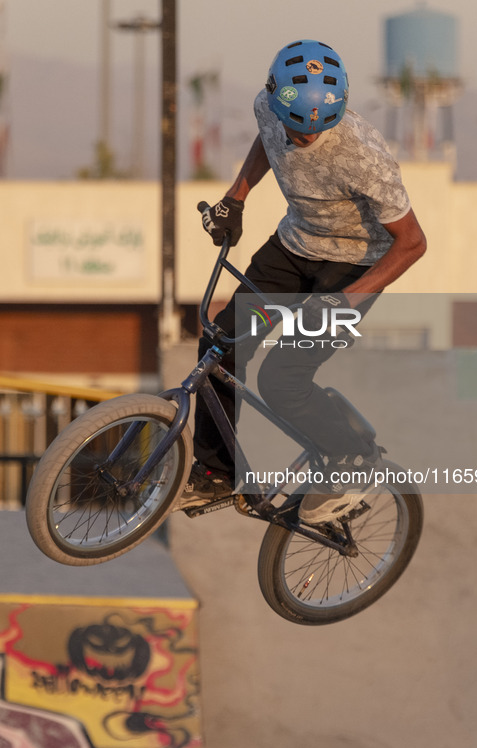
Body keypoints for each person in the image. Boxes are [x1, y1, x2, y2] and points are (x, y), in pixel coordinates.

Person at [177, 39, 426, 523]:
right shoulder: (268, 107)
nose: (305, 139)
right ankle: (216, 475)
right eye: (297, 128)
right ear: (276, 100)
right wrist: (237, 196)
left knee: (282, 379)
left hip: (353, 269)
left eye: (319, 131)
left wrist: (347, 301)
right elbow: (268, 143)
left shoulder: (366, 156)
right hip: (291, 252)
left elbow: (413, 242)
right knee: (220, 347)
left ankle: (352, 458)